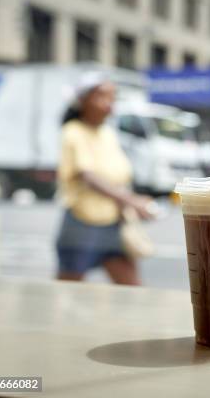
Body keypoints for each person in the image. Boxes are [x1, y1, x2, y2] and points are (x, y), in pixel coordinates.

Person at [55, 73, 153, 285]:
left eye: (112, 97)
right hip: (83, 225)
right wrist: (131, 200)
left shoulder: (107, 133)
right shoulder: (73, 132)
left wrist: (131, 201)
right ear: (82, 100)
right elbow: (89, 176)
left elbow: (117, 175)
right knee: (66, 290)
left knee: (133, 289)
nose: (109, 104)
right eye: (101, 97)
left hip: (113, 225)